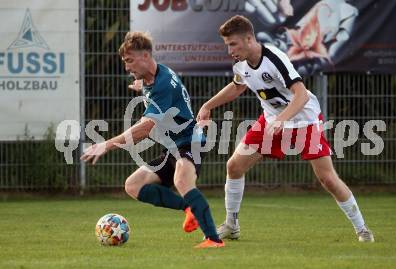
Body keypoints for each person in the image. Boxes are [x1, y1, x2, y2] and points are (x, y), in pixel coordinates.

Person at [196, 15, 374, 242]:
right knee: (234, 166)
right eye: (227, 45)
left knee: (327, 179)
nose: (230, 50)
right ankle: (231, 224)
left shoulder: (275, 58)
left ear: (249, 39)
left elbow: (300, 94)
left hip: (304, 120)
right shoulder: (240, 63)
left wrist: (281, 120)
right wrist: (208, 105)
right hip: (272, 119)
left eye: (233, 44)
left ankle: (362, 229)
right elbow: (237, 86)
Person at [81, 31, 224, 248]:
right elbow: (150, 89)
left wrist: (106, 145)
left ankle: (213, 239)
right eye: (125, 62)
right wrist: (141, 87)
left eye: (129, 60)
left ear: (146, 56)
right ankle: (189, 208)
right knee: (133, 185)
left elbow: (144, 130)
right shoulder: (153, 77)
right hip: (172, 146)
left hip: (189, 142)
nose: (127, 67)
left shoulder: (162, 85)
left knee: (182, 181)